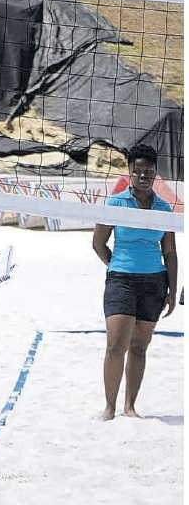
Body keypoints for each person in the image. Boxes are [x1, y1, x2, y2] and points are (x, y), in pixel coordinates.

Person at [92, 144, 177, 421]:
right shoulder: (116, 203)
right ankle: (109, 407)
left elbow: (170, 252)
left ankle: (130, 407)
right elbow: (98, 244)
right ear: (130, 172)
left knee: (139, 347)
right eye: (137, 171)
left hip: (155, 282)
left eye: (148, 172)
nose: (142, 176)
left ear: (155, 174)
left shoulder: (164, 209)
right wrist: (118, 267)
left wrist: (172, 291)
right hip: (122, 281)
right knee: (116, 345)